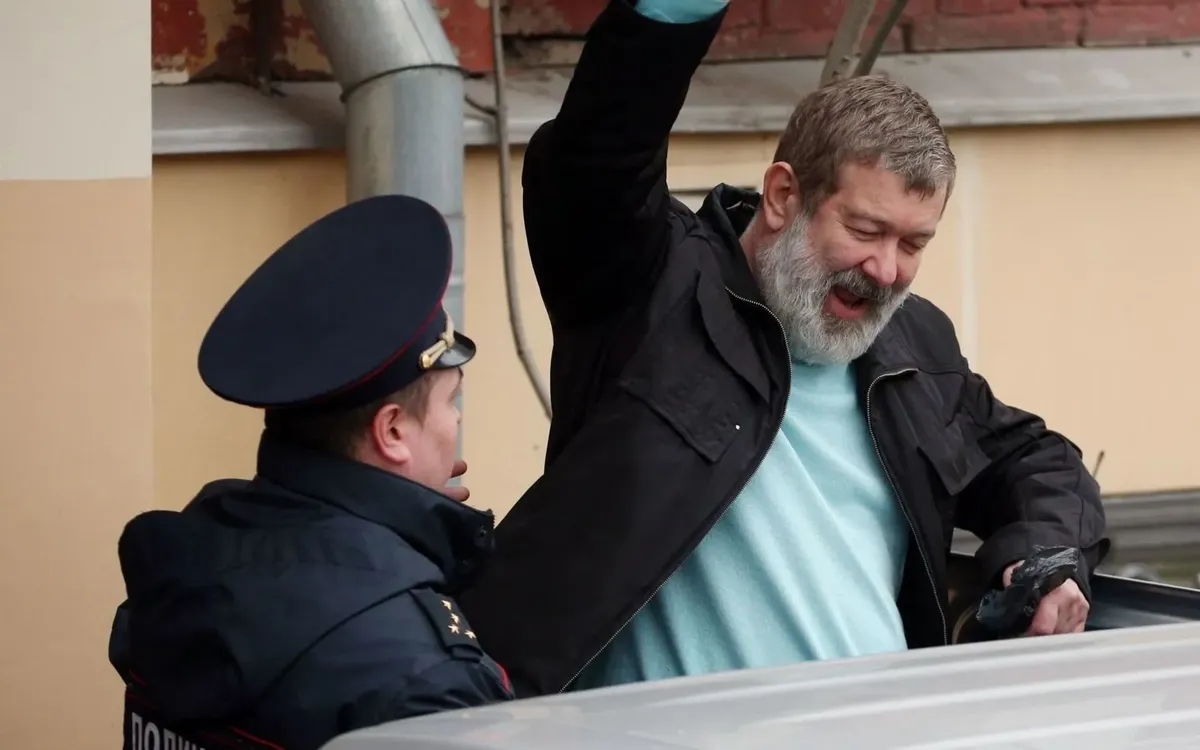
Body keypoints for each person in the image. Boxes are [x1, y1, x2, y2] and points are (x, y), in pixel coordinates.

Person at [457, 0, 1109, 697]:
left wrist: (1045, 555)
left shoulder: (915, 345)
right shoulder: (654, 288)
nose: (886, 270)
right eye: (865, 230)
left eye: (913, 243)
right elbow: (595, 159)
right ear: (782, 195)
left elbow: (1035, 458)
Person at [109, 195, 513, 750]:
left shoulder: (190, 562)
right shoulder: (425, 680)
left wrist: (414, 542)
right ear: (392, 431)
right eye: (451, 401)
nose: (456, 421)